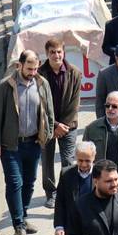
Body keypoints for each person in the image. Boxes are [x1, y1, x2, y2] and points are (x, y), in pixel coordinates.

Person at [0, 49, 54, 235]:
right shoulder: (6, 86)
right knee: (15, 183)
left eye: (35, 69)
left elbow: (49, 111)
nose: (32, 72)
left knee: (29, 182)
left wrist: (48, 133)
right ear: (20, 65)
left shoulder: (42, 84)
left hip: (33, 142)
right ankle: (18, 225)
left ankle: (24, 215)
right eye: (29, 68)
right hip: (11, 145)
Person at [39, 37, 83, 210]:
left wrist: (62, 125)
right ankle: (51, 193)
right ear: (47, 53)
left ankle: (67, 193)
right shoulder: (39, 74)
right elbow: (39, 104)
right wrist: (54, 125)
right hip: (46, 125)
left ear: (63, 53)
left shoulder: (75, 73)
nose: (56, 55)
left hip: (68, 126)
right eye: (52, 52)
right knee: (47, 161)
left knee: (68, 161)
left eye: (59, 52)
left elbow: (75, 104)